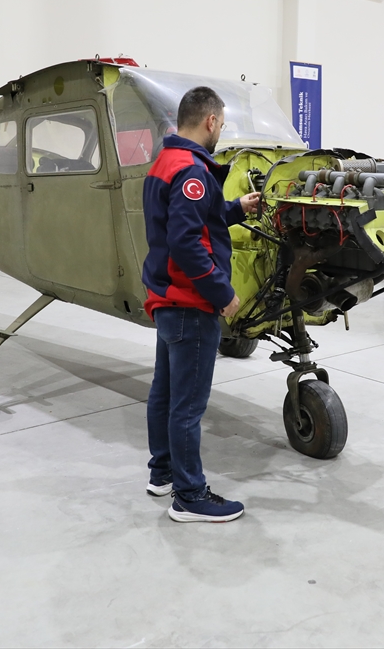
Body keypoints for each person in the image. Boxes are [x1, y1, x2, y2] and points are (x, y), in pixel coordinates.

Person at [141, 86, 261, 523]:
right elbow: (188, 243)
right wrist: (222, 293)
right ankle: (190, 496)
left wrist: (235, 208)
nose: (220, 132)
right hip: (191, 303)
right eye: (222, 125)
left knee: (165, 394)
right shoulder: (192, 170)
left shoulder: (167, 161)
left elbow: (195, 220)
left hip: (167, 299)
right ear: (210, 121)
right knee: (188, 406)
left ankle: (163, 473)